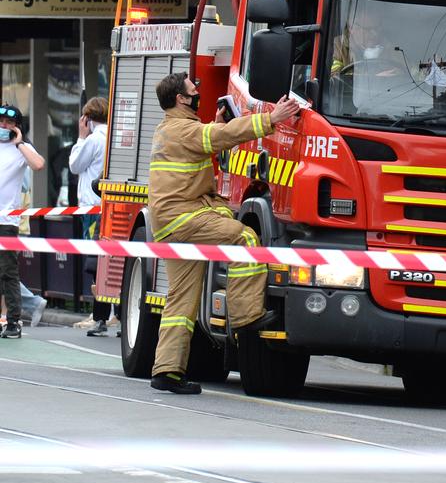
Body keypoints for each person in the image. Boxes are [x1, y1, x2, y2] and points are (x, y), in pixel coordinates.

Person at [147, 73, 301, 394]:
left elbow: (205, 138)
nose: (199, 92)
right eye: (194, 90)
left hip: (170, 224)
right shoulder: (185, 130)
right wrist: (271, 119)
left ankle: (166, 371)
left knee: (180, 300)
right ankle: (246, 319)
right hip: (185, 218)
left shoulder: (168, 128)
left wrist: (213, 124)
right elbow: (226, 135)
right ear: (181, 99)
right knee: (244, 239)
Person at [0, 104, 46, 339]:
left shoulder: (21, 148)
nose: (3, 126)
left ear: (16, 126)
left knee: (8, 273)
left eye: (8, 123)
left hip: (6, 221)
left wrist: (19, 143)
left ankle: (14, 321)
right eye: (1, 121)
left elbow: (38, 165)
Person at [69, 97, 113, 337]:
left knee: (95, 264)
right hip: (108, 204)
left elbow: (75, 166)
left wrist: (80, 137)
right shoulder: (111, 135)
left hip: (91, 207)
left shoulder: (93, 139)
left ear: (87, 118)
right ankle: (112, 312)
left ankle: (98, 316)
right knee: (111, 260)